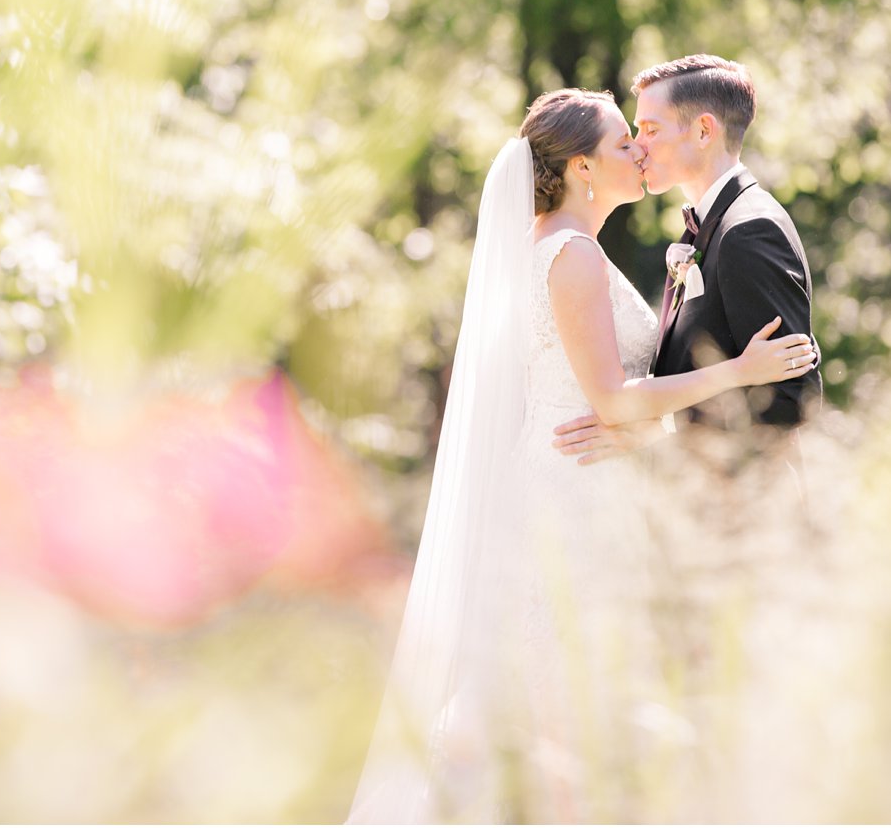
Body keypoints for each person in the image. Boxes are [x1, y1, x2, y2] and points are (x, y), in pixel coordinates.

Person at [347, 87, 816, 823]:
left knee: (565, 708)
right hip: (571, 499)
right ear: (581, 169)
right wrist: (739, 373)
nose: (639, 149)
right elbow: (612, 399)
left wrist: (648, 426)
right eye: (624, 140)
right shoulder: (571, 257)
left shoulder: (566, 249)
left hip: (582, 482)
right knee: (559, 709)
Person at [552, 55, 821, 468]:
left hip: (746, 513)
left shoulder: (749, 230)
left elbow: (791, 399)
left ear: (702, 131)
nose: (638, 145)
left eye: (651, 129)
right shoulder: (707, 228)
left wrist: (654, 441)